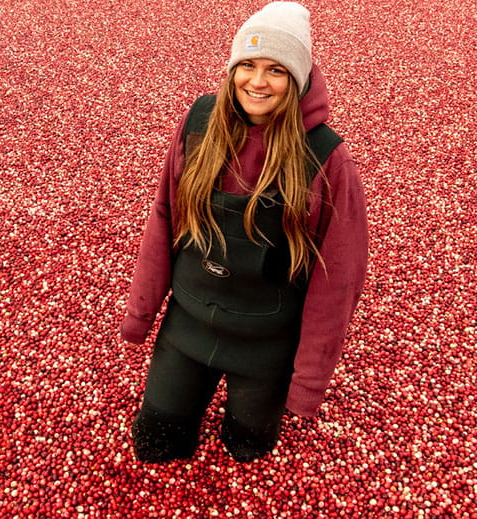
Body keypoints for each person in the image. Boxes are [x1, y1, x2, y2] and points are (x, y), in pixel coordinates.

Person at [121, 2, 367, 463]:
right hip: (188, 324)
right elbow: (163, 219)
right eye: (248, 65)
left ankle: (252, 417)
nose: (257, 81)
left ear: (298, 79)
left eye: (277, 69)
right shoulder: (199, 124)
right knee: (155, 444)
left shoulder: (326, 158)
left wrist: (308, 382)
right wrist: (141, 314)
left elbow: (338, 279)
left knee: (248, 447)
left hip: (266, 341)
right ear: (232, 69)